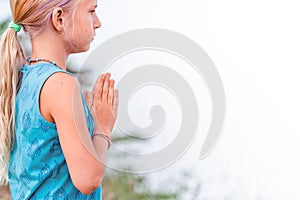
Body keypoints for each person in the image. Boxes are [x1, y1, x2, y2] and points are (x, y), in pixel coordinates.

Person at [0, 0, 119, 199]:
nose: (97, 23)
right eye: (91, 11)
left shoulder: (22, 78)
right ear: (59, 18)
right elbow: (88, 179)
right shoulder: (61, 85)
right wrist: (102, 127)